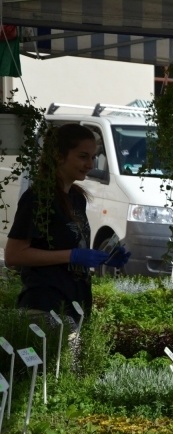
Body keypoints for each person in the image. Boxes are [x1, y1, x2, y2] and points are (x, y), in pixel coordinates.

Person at [5, 123, 130, 327]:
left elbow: (70, 246)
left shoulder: (76, 198)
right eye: (83, 156)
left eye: (93, 157)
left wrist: (104, 257)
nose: (90, 164)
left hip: (75, 305)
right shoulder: (38, 198)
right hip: (45, 305)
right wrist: (71, 255)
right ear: (59, 156)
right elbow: (13, 255)